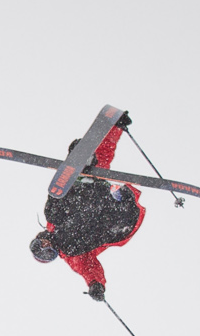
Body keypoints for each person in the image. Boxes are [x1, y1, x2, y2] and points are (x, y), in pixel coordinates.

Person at [29, 112, 142, 301]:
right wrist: (96, 285)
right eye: (48, 252)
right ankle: (107, 191)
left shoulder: (54, 220)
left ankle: (79, 172)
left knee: (55, 212)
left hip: (97, 199)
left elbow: (104, 154)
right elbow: (89, 269)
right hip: (118, 222)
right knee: (70, 241)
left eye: (39, 245)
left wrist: (117, 127)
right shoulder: (71, 255)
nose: (46, 245)